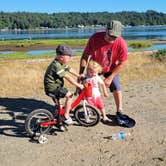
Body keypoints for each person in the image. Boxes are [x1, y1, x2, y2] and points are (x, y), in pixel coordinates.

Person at [79, 20, 128, 124]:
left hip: (110, 69)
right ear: (106, 30)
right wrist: (81, 74)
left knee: (116, 87)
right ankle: (89, 109)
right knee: (87, 88)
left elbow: (122, 63)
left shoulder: (121, 43)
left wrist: (110, 78)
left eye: (115, 37)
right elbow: (85, 56)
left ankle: (119, 111)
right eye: (110, 35)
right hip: (94, 68)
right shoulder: (95, 38)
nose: (112, 39)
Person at [44, 45, 83, 125]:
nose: (69, 59)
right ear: (61, 57)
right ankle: (66, 116)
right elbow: (67, 77)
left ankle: (58, 119)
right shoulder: (56, 66)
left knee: (60, 106)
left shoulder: (61, 63)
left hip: (55, 87)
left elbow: (70, 69)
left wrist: (79, 76)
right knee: (70, 95)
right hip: (52, 88)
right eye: (68, 57)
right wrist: (78, 85)